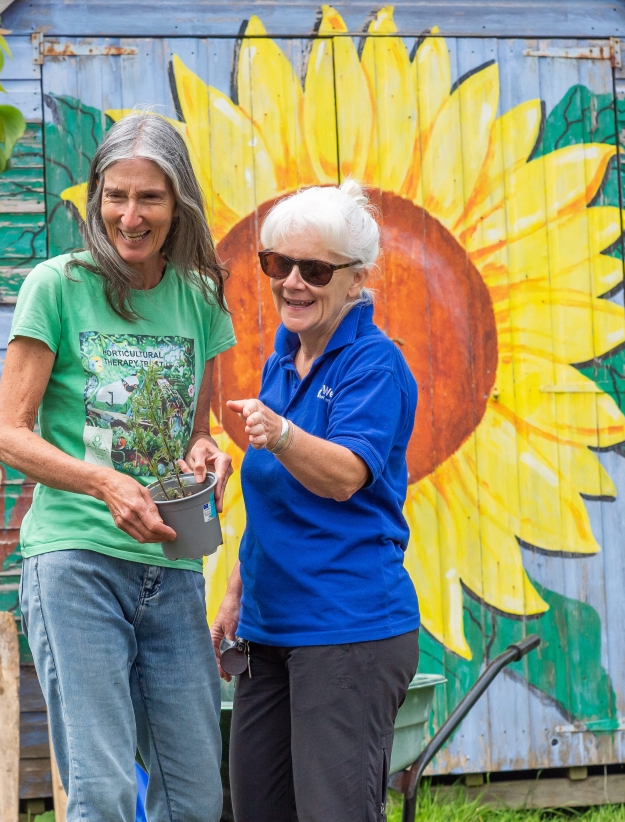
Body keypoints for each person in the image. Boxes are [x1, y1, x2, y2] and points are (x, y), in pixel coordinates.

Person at [0, 113, 235, 822]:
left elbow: (195, 434)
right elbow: (7, 435)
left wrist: (206, 455)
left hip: (172, 566)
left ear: (177, 203)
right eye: (115, 195)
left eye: (149, 198)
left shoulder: (198, 298)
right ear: (95, 197)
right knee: (99, 793)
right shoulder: (56, 286)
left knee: (192, 798)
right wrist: (103, 480)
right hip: (77, 562)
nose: (129, 216)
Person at [213, 180, 421, 822]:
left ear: (356, 280)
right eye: (277, 264)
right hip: (269, 629)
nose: (293, 282)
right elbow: (275, 502)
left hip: (347, 630)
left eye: (315, 269)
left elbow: (343, 476)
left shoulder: (373, 365)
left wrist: (278, 433)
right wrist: (235, 594)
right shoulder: (285, 361)